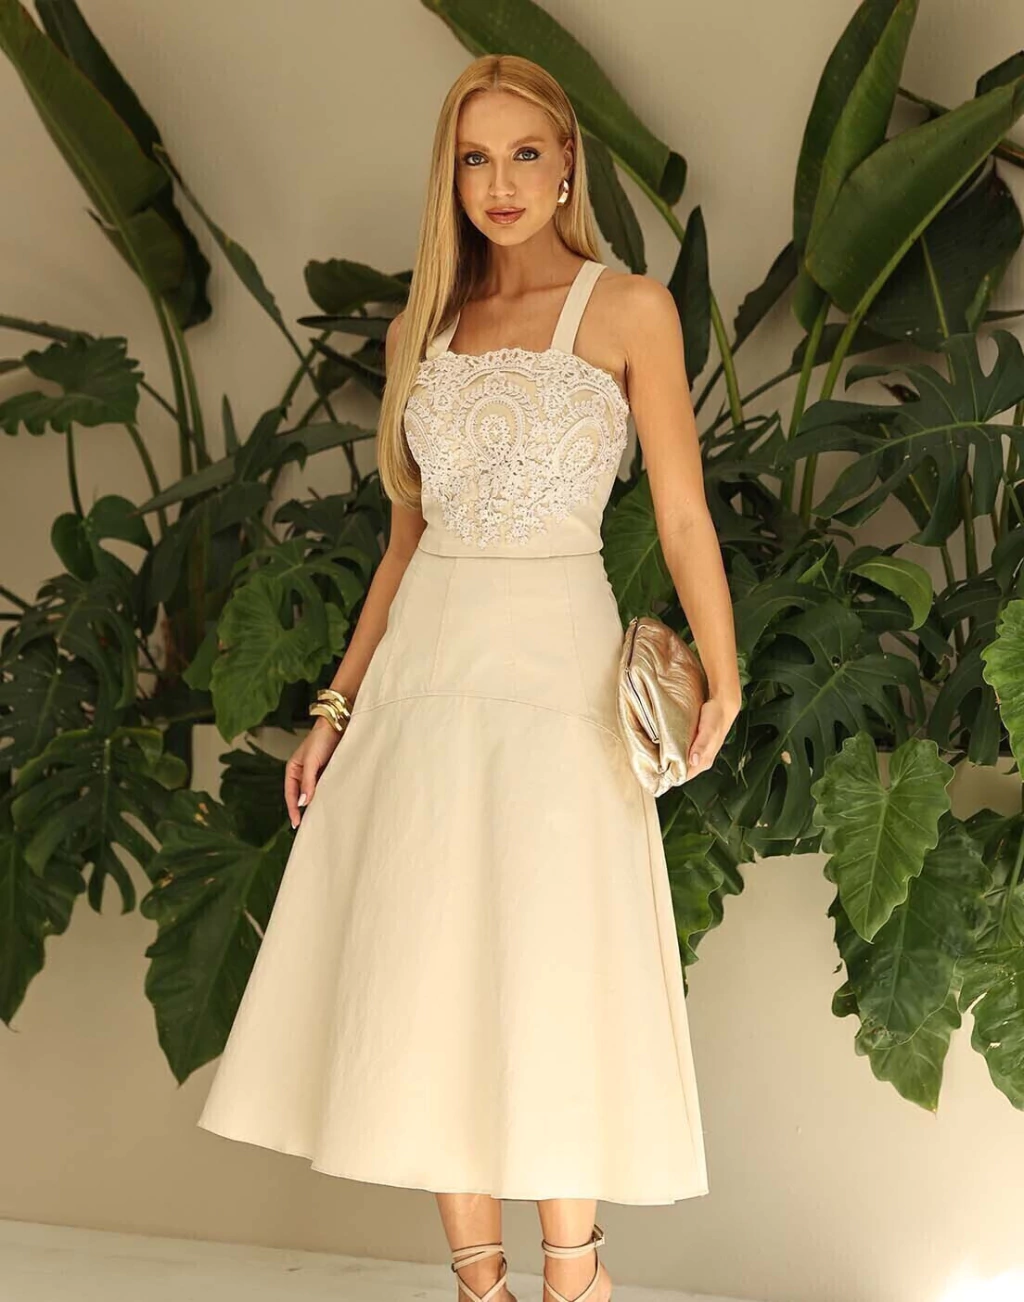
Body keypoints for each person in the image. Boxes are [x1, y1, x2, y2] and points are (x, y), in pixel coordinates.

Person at [196, 52, 741, 1302]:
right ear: (449, 177)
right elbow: (405, 541)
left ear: (567, 164)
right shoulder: (418, 332)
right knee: (429, 962)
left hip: (557, 673)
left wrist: (722, 673)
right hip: (427, 676)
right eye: (474, 159)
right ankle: (479, 1286)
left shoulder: (629, 311)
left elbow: (680, 515)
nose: (501, 183)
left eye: (525, 154)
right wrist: (335, 708)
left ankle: (576, 1281)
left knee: (552, 960)